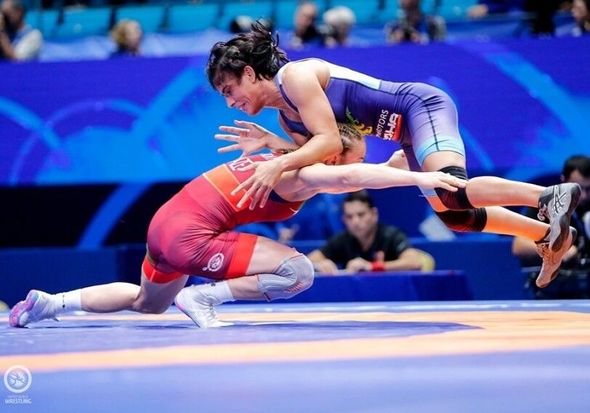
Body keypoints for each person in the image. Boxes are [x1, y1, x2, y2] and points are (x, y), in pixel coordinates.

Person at [205, 22, 581, 289]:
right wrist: (275, 145)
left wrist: (279, 161)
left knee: (451, 190)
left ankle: (547, 196)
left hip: (421, 107)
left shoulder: (295, 77)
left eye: (229, 90)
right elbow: (329, 161)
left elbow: (329, 142)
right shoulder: (286, 119)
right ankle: (546, 234)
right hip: (406, 133)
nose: (230, 102)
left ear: (250, 74)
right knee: (456, 216)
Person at [9, 124, 466, 329]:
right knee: (299, 272)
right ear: (331, 154)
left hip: (164, 224)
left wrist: (383, 168)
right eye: (355, 157)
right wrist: (418, 178)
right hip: (190, 236)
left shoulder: (286, 159)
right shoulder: (302, 171)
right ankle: (203, 297)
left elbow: (343, 178)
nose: (356, 166)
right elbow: (345, 179)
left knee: (148, 303)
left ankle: (52, 302)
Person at [512, 155, 590, 297]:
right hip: (553, 289)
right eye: (578, 189)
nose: (584, 196)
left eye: (588, 189)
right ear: (564, 181)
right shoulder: (546, 205)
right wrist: (557, 249)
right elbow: (519, 246)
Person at [308, 190, 428, 274]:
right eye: (349, 217)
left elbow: (414, 263)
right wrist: (320, 264)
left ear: (374, 214)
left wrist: (372, 267)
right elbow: (311, 260)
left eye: (361, 215)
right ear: (344, 220)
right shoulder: (342, 239)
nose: (355, 221)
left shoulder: (392, 235)